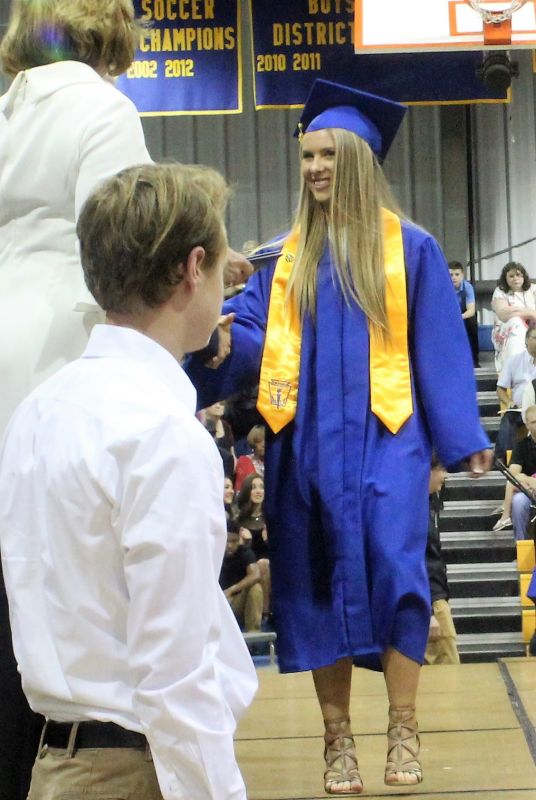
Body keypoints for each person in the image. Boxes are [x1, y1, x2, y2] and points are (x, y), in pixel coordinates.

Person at [186, 78, 491, 794]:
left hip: (390, 439)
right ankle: (338, 740)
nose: (315, 167)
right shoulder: (281, 259)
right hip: (305, 446)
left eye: (328, 155)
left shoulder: (410, 250)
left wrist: (459, 434)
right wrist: (217, 347)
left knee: (398, 570)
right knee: (314, 582)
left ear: (357, 160)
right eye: (307, 156)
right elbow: (251, 341)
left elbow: (439, 346)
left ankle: (404, 727)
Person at [0, 163, 257, 800]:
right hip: (135, 770)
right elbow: (176, 674)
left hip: (55, 763)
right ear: (193, 268)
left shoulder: (37, 411)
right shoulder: (162, 434)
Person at [0, 3, 153, 796]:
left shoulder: (10, 109)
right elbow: (121, 249)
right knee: (58, 615)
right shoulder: (103, 108)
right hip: (63, 361)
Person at [424, 461, 460, 665]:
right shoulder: (413, 510)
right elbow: (416, 564)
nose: (445, 475)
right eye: (442, 470)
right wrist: (429, 612)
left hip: (435, 598)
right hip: (431, 602)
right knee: (449, 671)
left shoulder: (429, 504)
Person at [493, 328, 536, 468]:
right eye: (535, 338)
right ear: (526, 340)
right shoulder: (514, 361)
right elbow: (500, 389)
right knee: (509, 418)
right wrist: (508, 402)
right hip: (519, 408)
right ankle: (502, 459)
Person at [493, 405, 536, 541]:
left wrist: (526, 479)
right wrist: (529, 481)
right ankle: (521, 545)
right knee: (518, 502)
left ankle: (505, 516)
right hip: (528, 490)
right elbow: (513, 475)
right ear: (527, 425)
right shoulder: (521, 445)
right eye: (534, 422)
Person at [237, 473, 271, 621]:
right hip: (246, 568)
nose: (258, 491)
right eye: (254, 487)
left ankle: (265, 613)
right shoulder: (239, 520)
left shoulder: (271, 518)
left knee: (264, 564)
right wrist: (245, 543)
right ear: (247, 491)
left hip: (270, 567)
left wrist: (269, 541)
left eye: (262, 487)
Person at [491, 262, 536, 372]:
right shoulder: (500, 292)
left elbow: (509, 311)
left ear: (524, 276)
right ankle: (515, 368)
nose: (515, 278)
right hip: (507, 328)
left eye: (518, 275)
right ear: (505, 278)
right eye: (511, 276)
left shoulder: (533, 289)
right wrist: (530, 313)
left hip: (532, 328)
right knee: (515, 322)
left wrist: (515, 310)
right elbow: (503, 314)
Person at [220, 520, 263, 633]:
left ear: (239, 539)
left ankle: (254, 635)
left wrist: (231, 590)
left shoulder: (245, 553)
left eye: (234, 541)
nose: (229, 545)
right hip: (216, 604)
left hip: (236, 601)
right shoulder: (212, 553)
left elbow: (256, 574)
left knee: (256, 588)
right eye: (226, 541)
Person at [448, 261, 480, 368]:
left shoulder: (467, 287)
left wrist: (458, 318)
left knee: (472, 321)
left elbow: (471, 310)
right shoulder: (444, 288)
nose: (454, 277)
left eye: (457, 274)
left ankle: (474, 359)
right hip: (449, 314)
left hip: (464, 315)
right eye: (451, 275)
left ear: (462, 275)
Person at [234, 424, 265, 490]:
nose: (264, 445)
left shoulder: (275, 463)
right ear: (253, 443)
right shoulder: (244, 461)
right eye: (259, 441)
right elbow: (240, 490)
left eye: (266, 441)